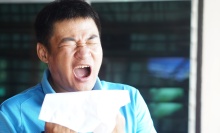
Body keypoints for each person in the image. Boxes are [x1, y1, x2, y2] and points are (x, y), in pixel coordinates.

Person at [0, 0, 157, 132]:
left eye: (91, 41)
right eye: (69, 42)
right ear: (43, 53)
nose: (84, 52)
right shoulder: (12, 115)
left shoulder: (130, 101)